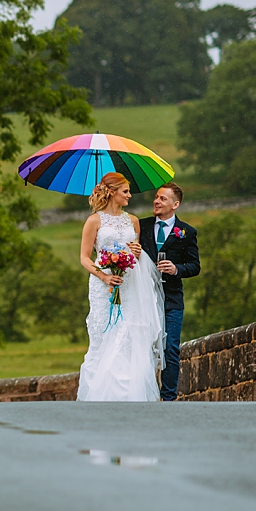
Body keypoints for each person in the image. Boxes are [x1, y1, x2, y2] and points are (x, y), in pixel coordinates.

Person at [76, 172, 165, 402]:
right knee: (104, 334)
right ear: (112, 192)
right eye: (125, 191)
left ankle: (128, 394)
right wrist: (104, 277)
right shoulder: (93, 221)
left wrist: (137, 252)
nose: (129, 195)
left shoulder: (133, 221)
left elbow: (136, 251)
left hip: (129, 282)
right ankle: (101, 394)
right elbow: (86, 258)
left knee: (128, 333)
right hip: (103, 284)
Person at [133, 182, 200, 400]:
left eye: (163, 198)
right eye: (156, 197)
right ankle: (143, 394)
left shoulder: (187, 232)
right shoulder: (140, 226)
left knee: (170, 348)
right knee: (142, 348)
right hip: (143, 298)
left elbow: (194, 266)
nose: (156, 201)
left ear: (175, 204)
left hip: (171, 299)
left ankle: (168, 398)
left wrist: (176, 269)